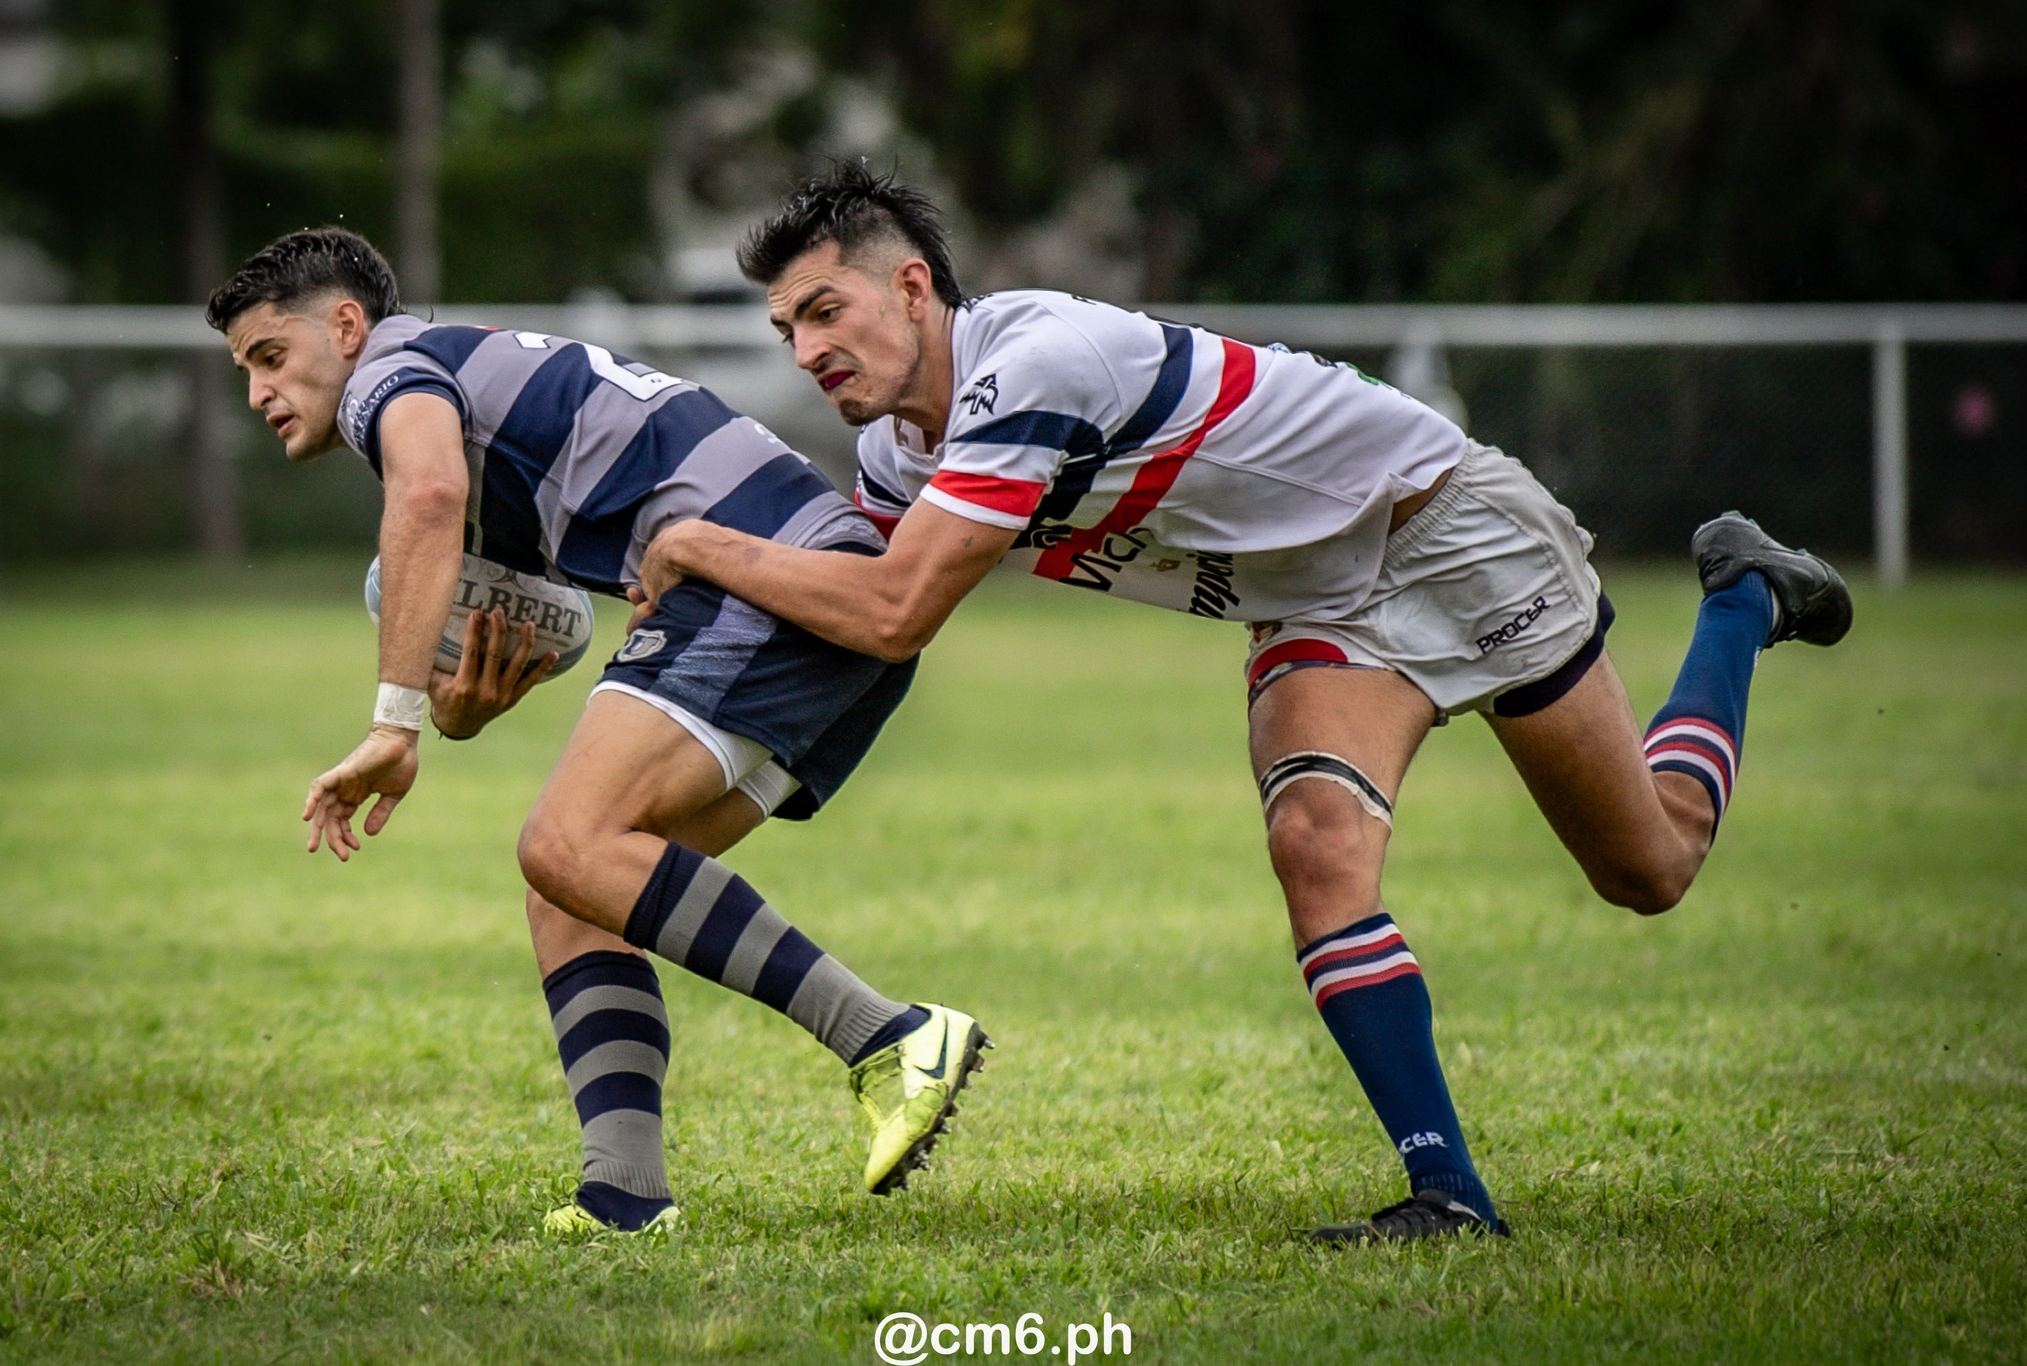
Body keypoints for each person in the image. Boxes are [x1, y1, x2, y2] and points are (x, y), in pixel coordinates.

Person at [633, 162, 1853, 1243]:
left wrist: (697, 546)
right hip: (1320, 605)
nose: (804, 350)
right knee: (1314, 845)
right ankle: (1448, 1197)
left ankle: (1738, 597)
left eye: (823, 310)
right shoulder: (901, 454)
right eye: (786, 327)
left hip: (1443, 528)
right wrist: (676, 695)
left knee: (1648, 864)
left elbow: (892, 609)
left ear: (910, 287)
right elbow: (847, 615)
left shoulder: (1031, 367)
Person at [206, 227, 990, 1236]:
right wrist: (457, 708)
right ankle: (624, 1193)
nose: (261, 391)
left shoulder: (390, 375)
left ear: (346, 327)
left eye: (272, 357)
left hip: (761, 582)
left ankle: (889, 1035)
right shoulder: (466, 392)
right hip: (805, 593)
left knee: (567, 842)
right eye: (246, 372)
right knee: (571, 890)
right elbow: (527, 603)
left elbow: (429, 500)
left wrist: (394, 723)